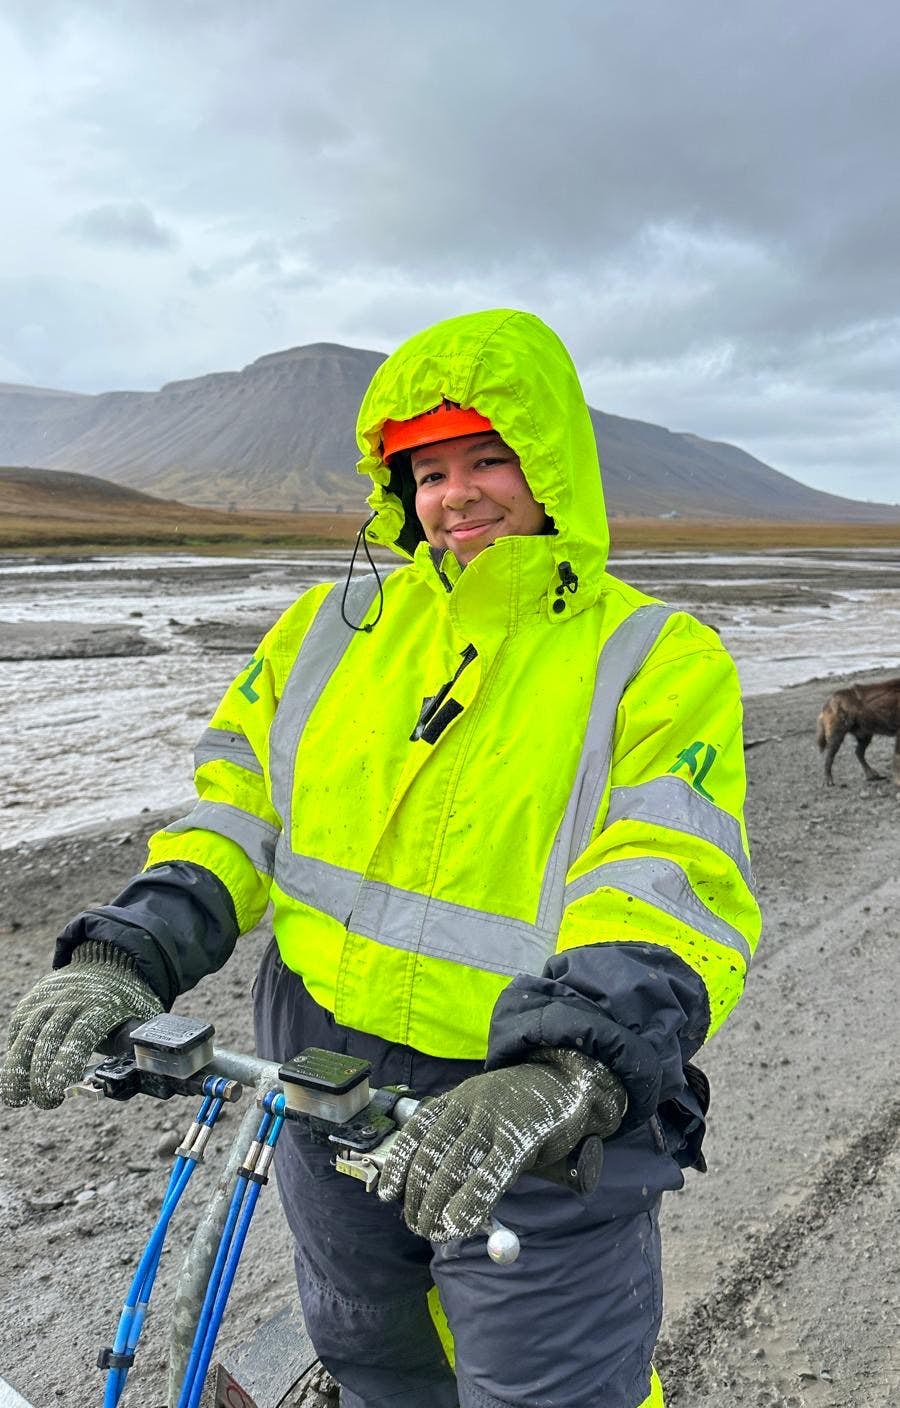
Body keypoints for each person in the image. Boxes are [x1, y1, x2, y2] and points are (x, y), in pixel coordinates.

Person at [1, 309, 761, 1408]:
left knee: (553, 1390)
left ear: (550, 464)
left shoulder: (655, 660)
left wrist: (566, 1069)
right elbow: (236, 815)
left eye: (488, 458)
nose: (457, 497)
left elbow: (665, 875)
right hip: (320, 1078)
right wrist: (128, 952)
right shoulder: (327, 630)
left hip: (530, 1108)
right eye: (429, 470)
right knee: (375, 1363)